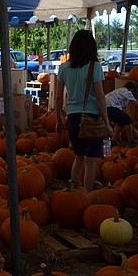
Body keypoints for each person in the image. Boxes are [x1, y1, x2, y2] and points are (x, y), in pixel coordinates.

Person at [53, 29, 113, 192]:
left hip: (72, 116)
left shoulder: (64, 68)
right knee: (90, 160)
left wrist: (58, 119)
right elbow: (100, 97)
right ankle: (86, 195)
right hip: (91, 117)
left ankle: (73, 191)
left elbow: (58, 97)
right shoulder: (95, 67)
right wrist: (107, 123)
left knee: (78, 156)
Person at [106, 81, 138, 146]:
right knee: (127, 118)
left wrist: (131, 126)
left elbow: (122, 110)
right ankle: (131, 140)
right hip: (110, 107)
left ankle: (113, 141)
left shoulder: (120, 92)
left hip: (105, 108)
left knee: (121, 121)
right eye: (134, 95)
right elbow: (137, 104)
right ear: (132, 90)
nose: (134, 97)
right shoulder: (127, 92)